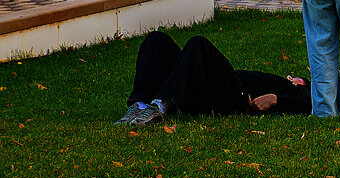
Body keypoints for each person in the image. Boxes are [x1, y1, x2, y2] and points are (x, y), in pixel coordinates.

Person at [115, 30, 312, 126]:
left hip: (237, 97)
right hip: (208, 88)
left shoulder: (299, 89)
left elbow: (311, 104)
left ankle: (159, 106)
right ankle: (140, 105)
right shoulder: (280, 81)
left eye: (296, 79)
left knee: (199, 44)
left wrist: (276, 99)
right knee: (157, 40)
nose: (291, 77)